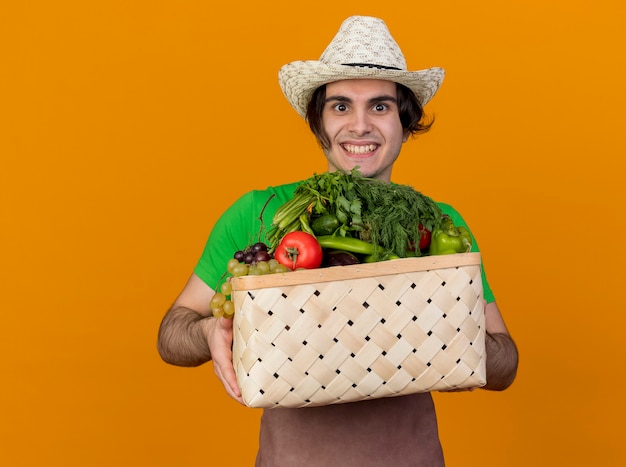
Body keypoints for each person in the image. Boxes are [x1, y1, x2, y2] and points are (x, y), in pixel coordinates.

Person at [157, 15, 518, 466]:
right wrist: (214, 330)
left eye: (381, 107)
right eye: (341, 106)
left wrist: (445, 336)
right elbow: (171, 334)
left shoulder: (439, 225)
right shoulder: (260, 213)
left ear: (406, 125)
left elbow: (505, 362)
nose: (360, 126)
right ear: (319, 123)